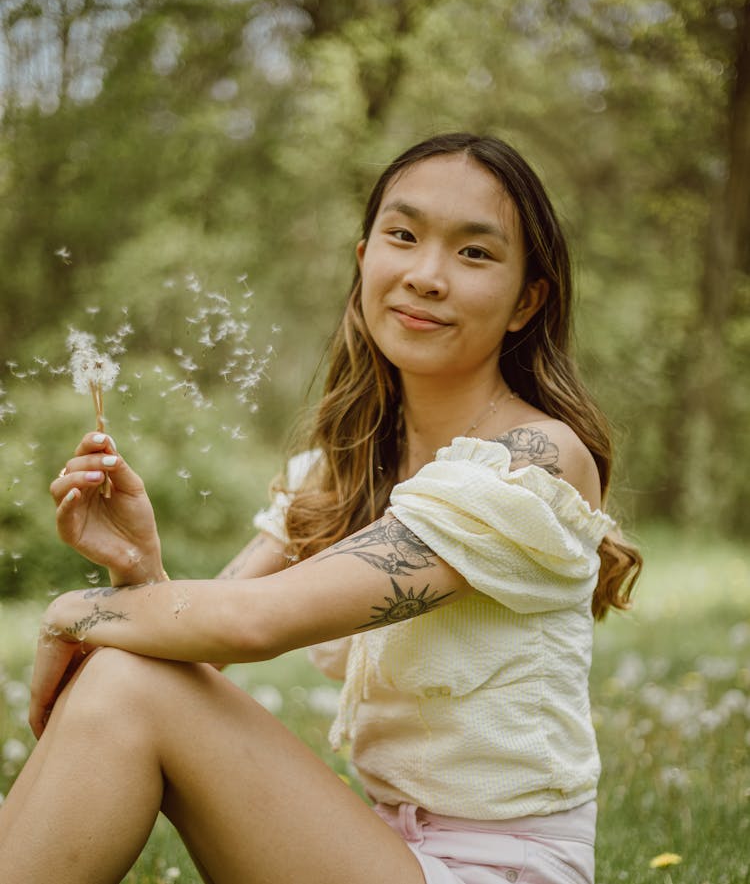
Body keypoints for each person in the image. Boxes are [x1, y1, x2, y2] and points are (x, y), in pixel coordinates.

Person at [0, 132, 641, 884]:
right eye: (403, 236)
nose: (426, 275)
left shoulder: (533, 461)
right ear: (365, 256)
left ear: (526, 299)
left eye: (474, 253)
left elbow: (256, 620)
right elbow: (196, 644)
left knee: (125, 681)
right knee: (130, 675)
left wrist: (68, 611)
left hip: (498, 873)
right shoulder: (340, 469)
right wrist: (139, 568)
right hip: (386, 853)